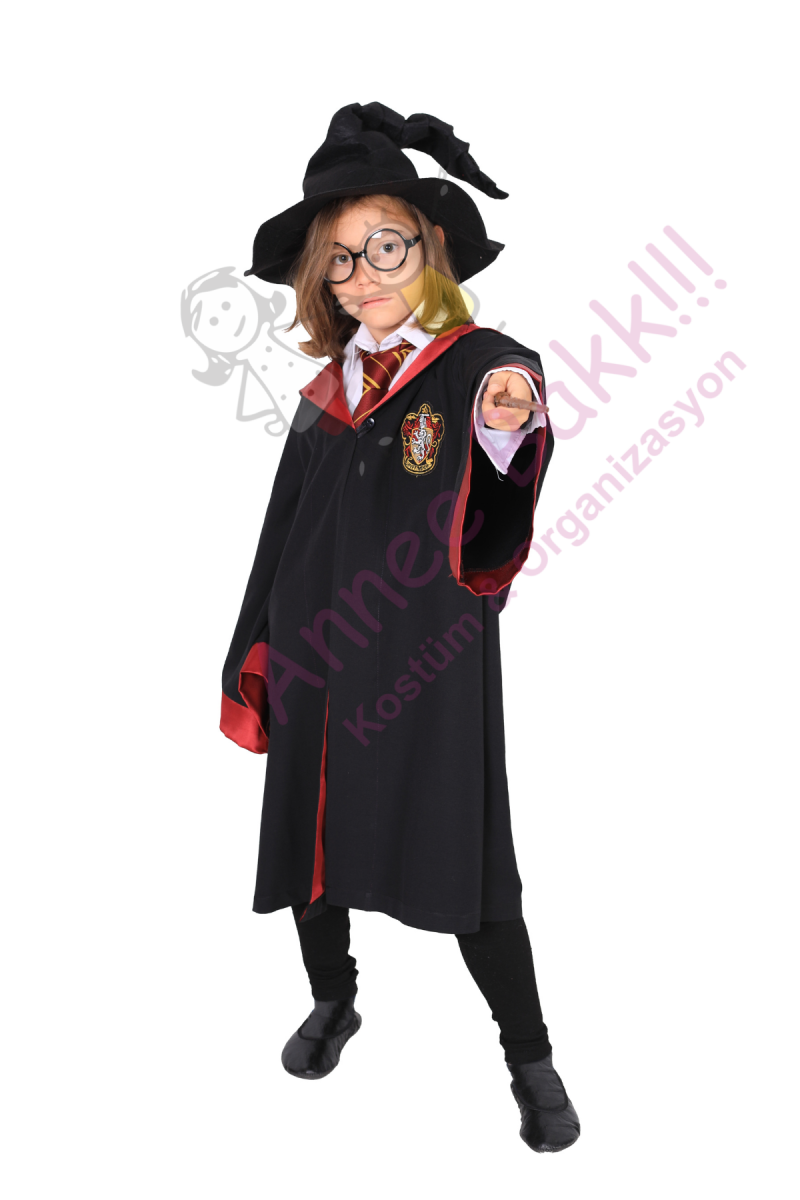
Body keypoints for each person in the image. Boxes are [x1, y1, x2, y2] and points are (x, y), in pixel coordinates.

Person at [220, 102, 580, 1154]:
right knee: (310, 846)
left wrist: (507, 425)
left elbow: (502, 451)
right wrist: (255, 644)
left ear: (430, 249)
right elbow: (282, 531)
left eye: (385, 245)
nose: (362, 274)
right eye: (339, 259)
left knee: (465, 859)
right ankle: (334, 998)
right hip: (318, 657)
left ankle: (529, 1056)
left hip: (424, 661)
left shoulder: (476, 365)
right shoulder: (326, 393)